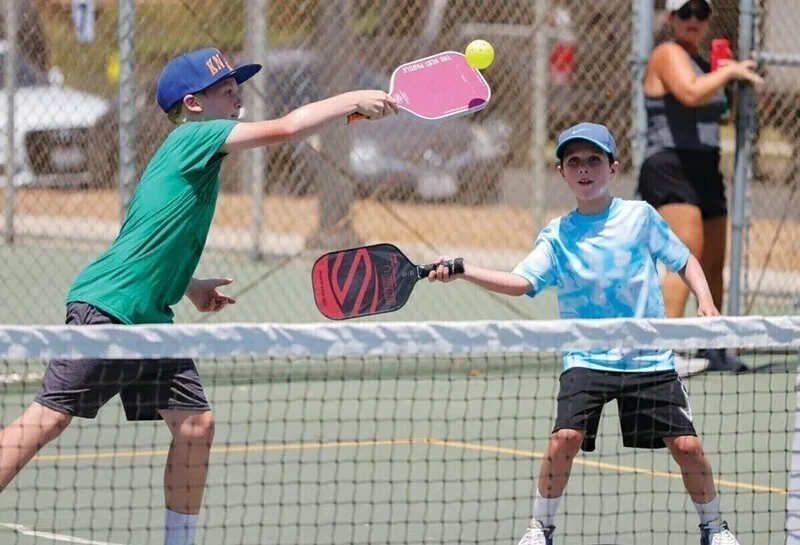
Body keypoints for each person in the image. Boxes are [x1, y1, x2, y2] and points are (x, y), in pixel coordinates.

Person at [0, 47, 397, 545]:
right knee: (48, 418)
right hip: (109, 309)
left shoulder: (195, 151)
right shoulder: (195, 137)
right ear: (193, 104)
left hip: (150, 317)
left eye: (238, 88)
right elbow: (288, 127)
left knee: (195, 425)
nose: (238, 98)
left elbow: (147, 236)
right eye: (226, 90)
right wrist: (352, 99)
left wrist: (187, 286)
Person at [428, 122, 739, 545]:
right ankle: (540, 527)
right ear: (562, 173)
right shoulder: (557, 235)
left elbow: (684, 260)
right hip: (587, 357)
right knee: (564, 439)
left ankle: (714, 527)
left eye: (594, 160)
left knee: (687, 447)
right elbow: (522, 282)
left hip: (648, 356)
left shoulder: (639, 217)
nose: (584, 169)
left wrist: (704, 299)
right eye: (574, 162)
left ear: (613, 168)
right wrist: (463, 270)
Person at [638, 0, 762, 375]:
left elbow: (722, 114)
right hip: (670, 164)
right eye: (685, 12)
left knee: (712, 264)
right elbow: (691, 93)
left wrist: (732, 79)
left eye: (701, 13)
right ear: (672, 19)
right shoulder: (666, 53)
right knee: (684, 255)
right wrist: (727, 74)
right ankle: (666, 351)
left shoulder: (707, 63)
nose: (694, 20)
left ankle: (713, 347)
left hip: (705, 164)